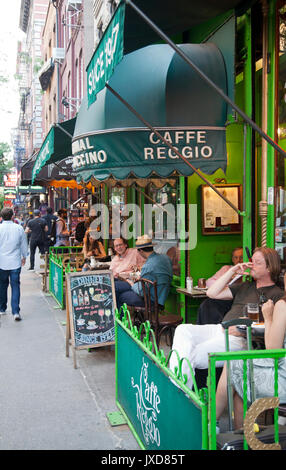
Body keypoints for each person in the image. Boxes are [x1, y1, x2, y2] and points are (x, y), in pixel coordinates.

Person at [169, 247, 284, 390]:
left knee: (192, 355)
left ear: (269, 268)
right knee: (183, 329)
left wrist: (244, 330)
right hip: (221, 329)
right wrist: (232, 271)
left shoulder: (277, 294)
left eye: (257, 262)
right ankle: (177, 386)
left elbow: (273, 327)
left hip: (242, 339)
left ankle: (180, 394)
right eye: (251, 261)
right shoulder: (245, 285)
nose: (251, 265)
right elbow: (212, 292)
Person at [216, 297, 286, 430]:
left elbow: (273, 350)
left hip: (282, 381)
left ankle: (212, 421)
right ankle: (240, 435)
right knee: (240, 381)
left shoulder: (283, 305)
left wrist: (268, 317)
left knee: (232, 364)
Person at [115, 234, 173, 312]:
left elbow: (141, 292)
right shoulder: (166, 258)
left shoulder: (148, 266)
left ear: (141, 251)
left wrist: (132, 284)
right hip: (162, 295)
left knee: (120, 295)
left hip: (151, 299)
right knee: (118, 286)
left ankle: (121, 320)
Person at [197, 247, 244, 325]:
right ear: (232, 259)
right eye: (236, 257)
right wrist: (226, 280)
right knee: (207, 304)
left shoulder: (248, 271)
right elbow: (209, 282)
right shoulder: (227, 269)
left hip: (239, 298)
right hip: (224, 296)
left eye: (241, 257)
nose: (238, 260)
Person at [0, 207, 28, 321]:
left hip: (1, 262)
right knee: (15, 286)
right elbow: (23, 244)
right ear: (12, 216)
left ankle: (2, 308)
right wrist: (24, 256)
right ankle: (15, 311)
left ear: (2, 217)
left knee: (2, 285)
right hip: (15, 262)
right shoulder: (19, 228)